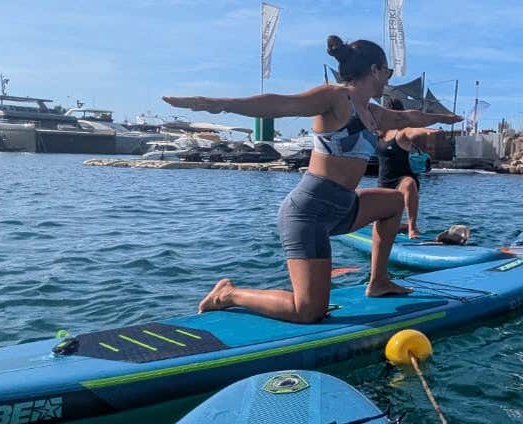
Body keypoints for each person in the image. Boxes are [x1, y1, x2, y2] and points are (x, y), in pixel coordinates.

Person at [163, 35, 462, 323]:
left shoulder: (373, 113)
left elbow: (408, 118)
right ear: (374, 70)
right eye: (388, 71)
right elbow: (281, 104)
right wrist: (218, 103)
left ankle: (379, 281)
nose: (389, 78)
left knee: (395, 201)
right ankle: (229, 294)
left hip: (344, 207)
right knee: (308, 311)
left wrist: (443, 120)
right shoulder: (335, 97)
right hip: (308, 213)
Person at [377, 97, 441, 239]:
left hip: (402, 178)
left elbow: (413, 131)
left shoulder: (403, 132)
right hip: (384, 182)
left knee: (409, 183)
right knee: (384, 223)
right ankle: (401, 227)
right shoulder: (379, 133)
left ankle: (412, 228)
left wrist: (426, 131)